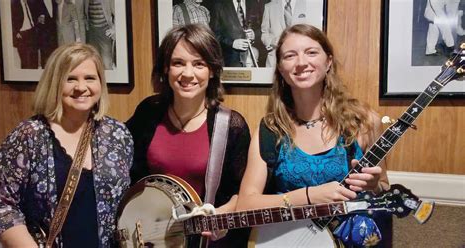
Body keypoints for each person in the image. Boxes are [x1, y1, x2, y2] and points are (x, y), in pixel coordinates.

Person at [236, 24, 390, 247]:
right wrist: (308, 196)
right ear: (280, 68)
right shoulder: (270, 129)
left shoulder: (364, 122)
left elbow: (384, 188)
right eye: (290, 55)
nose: (301, 62)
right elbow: (245, 205)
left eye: (311, 52)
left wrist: (373, 185)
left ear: (328, 62)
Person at [0, 43, 133, 247]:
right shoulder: (29, 135)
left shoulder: (117, 134)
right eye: (70, 78)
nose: (81, 87)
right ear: (55, 83)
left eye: (90, 78)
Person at [126, 24, 251, 247]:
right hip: (152, 239)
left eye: (199, 64)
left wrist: (219, 217)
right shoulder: (148, 112)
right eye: (178, 63)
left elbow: (243, 191)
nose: (187, 73)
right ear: (165, 68)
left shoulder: (231, 126)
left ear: (212, 70)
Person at [261, 0, 317, 67]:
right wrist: (272, 42)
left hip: (301, 60)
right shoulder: (269, 6)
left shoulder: (308, 4)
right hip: (274, 60)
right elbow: (264, 33)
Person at [209, 0, 259, 67]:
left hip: (252, 58)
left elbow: (262, 28)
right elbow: (213, 34)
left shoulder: (253, 3)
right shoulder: (219, 5)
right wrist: (232, 43)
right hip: (230, 61)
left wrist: (254, 34)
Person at [85, 0, 115, 69]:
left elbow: (118, 14)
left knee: (106, 62)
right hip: (92, 33)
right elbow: (85, 15)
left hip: (104, 32)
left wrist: (114, 29)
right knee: (94, 62)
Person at [11, 0, 40, 69]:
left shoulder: (30, 3)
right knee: (26, 62)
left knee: (34, 59)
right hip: (22, 35)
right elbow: (8, 19)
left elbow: (34, 15)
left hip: (32, 32)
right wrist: (15, 32)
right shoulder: (14, 3)